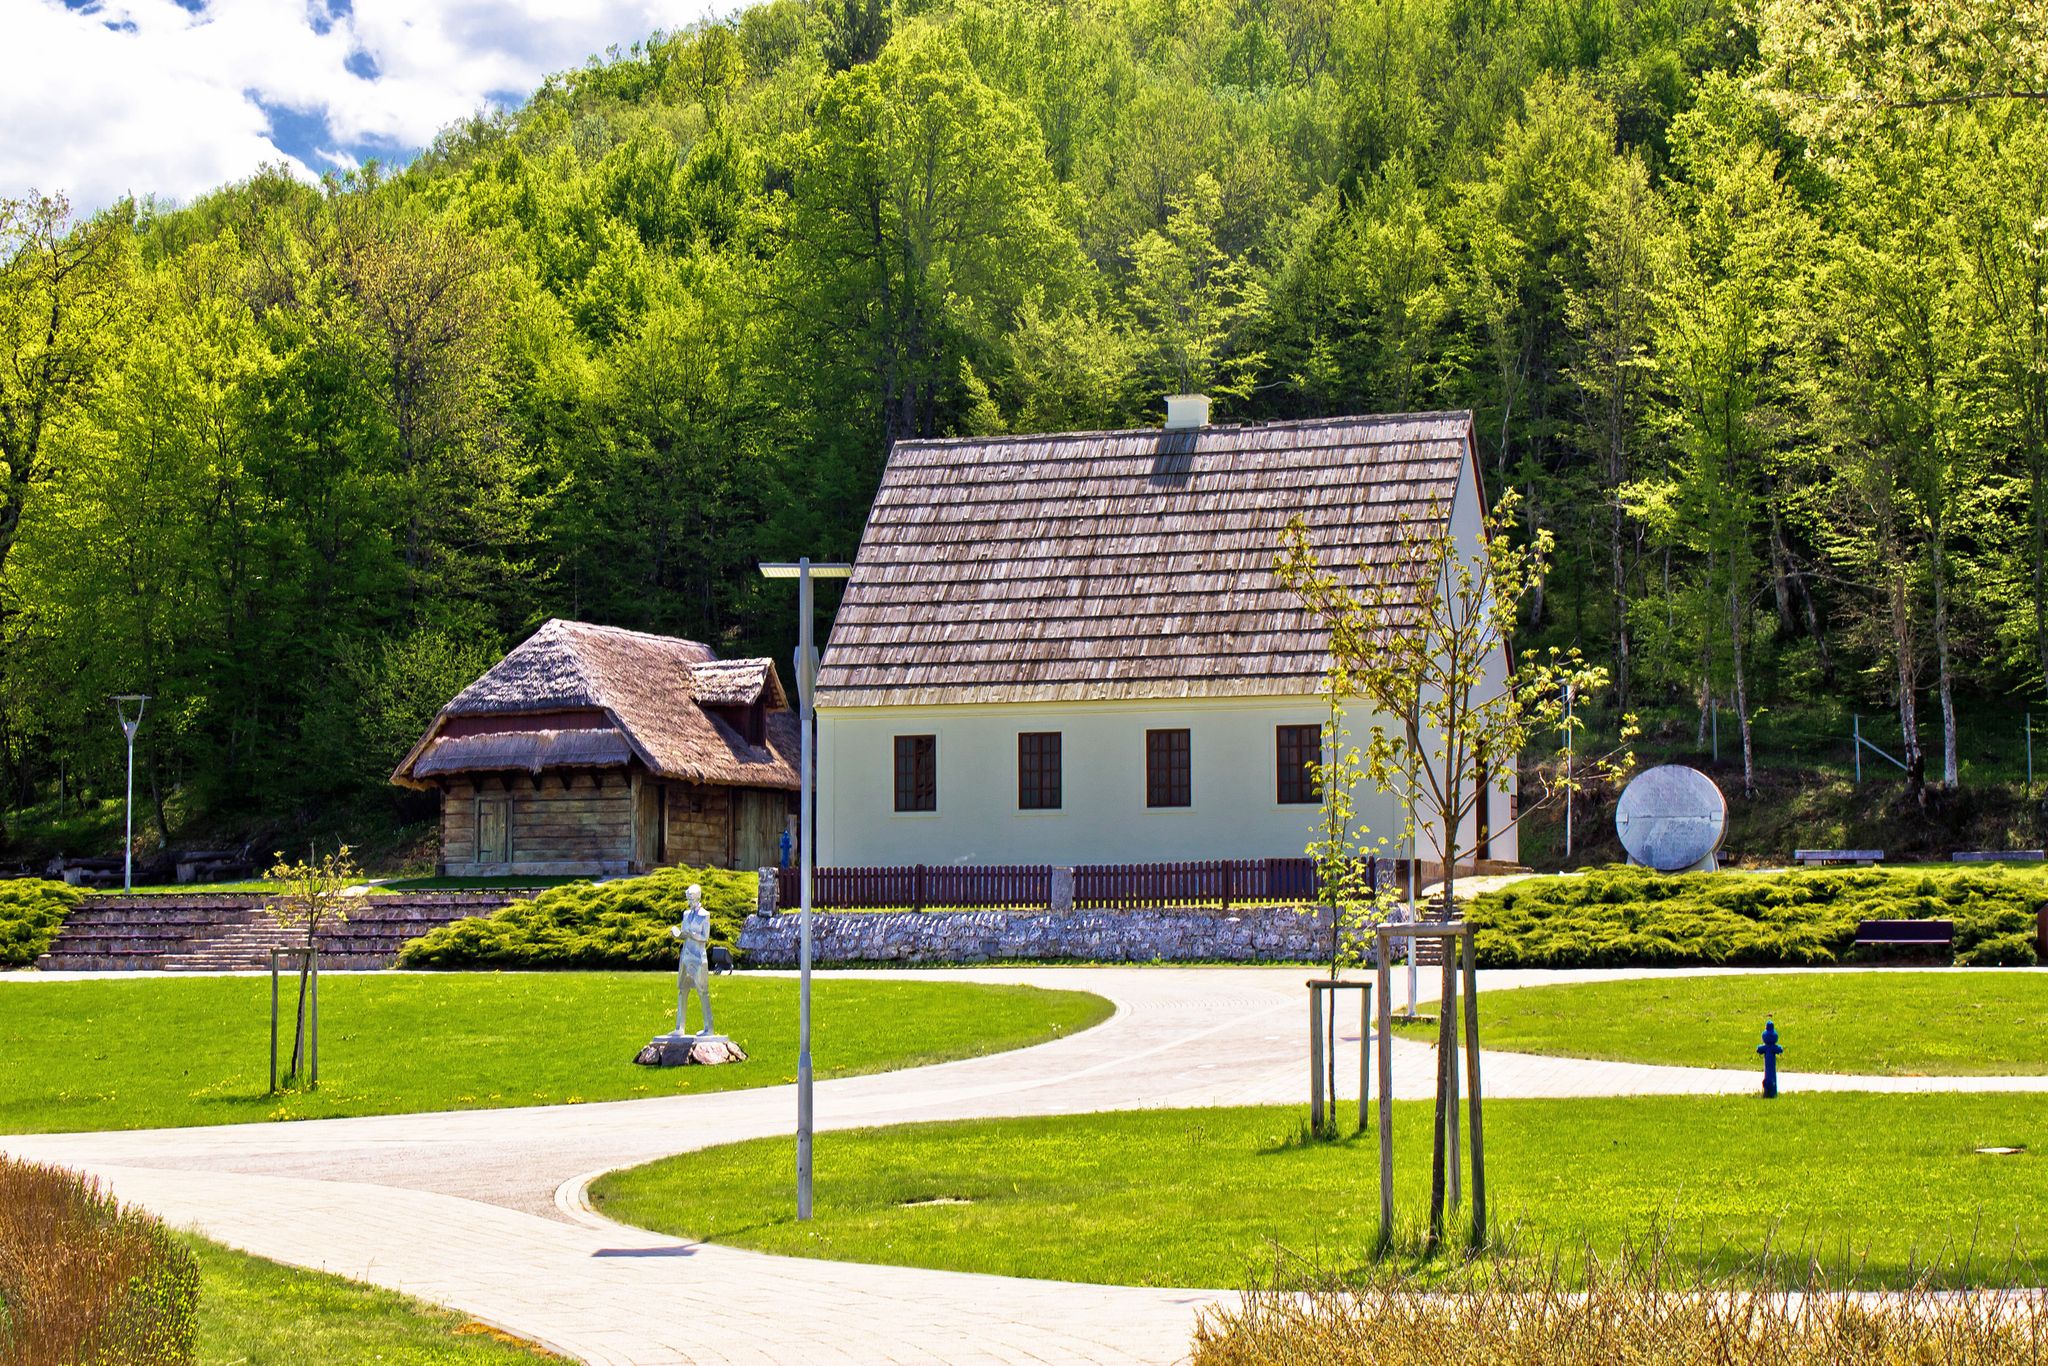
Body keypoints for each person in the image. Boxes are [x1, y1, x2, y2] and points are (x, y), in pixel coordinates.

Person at [670, 884, 714, 1036]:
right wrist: (678, 934)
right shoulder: (686, 914)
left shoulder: (705, 915)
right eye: (688, 899)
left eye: (691, 899)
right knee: (682, 990)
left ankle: (709, 1028)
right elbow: (684, 933)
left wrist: (692, 934)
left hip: (698, 956)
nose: (689, 902)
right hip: (686, 954)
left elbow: (705, 937)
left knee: (703, 991)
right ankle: (679, 1028)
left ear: (698, 898)